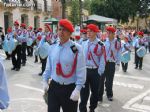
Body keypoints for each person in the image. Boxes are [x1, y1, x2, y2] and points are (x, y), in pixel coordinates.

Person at [42, 19, 86, 112]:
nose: (61, 32)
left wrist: (78, 89)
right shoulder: (53, 46)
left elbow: (81, 70)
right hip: (54, 87)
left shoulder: (76, 49)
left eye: (65, 30)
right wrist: (45, 80)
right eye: (60, 29)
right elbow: (49, 66)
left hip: (69, 89)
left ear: (70, 33)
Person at [79, 24, 106, 112]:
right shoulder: (83, 43)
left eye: (91, 31)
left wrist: (100, 71)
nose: (88, 33)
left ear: (95, 32)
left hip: (95, 71)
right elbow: (80, 57)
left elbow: (102, 59)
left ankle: (92, 108)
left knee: (95, 92)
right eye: (88, 31)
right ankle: (83, 109)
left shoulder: (100, 44)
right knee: (83, 92)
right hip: (85, 70)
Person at [98, 26, 121, 102]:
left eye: (110, 33)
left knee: (109, 80)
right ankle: (99, 96)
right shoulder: (103, 41)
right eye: (107, 32)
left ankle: (109, 94)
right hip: (103, 63)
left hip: (111, 63)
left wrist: (118, 63)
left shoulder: (117, 42)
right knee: (101, 80)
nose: (108, 34)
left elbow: (118, 53)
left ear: (113, 34)